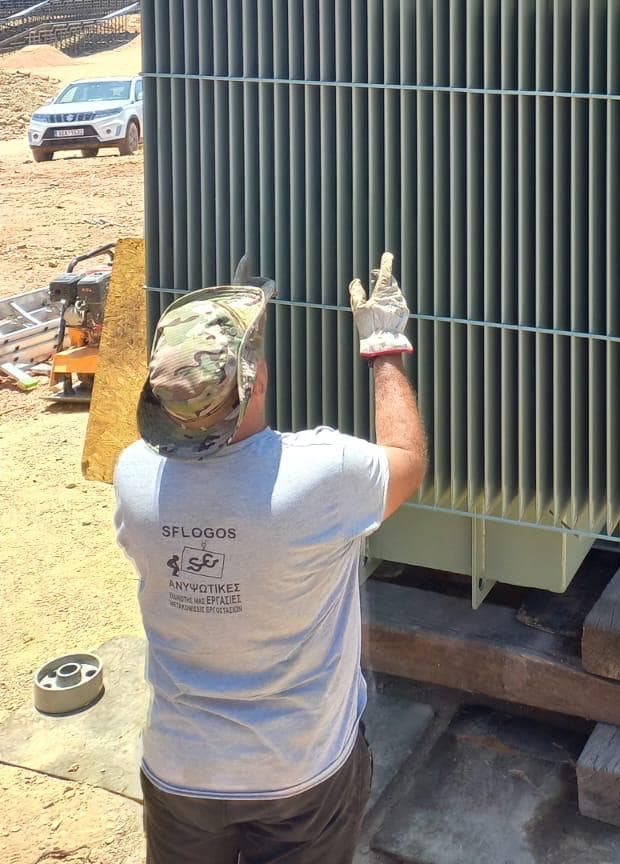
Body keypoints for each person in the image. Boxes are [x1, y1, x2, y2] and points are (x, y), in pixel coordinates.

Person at [113, 252, 425, 864]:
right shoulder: (321, 475)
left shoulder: (134, 476)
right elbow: (406, 460)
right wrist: (385, 346)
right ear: (256, 376)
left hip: (180, 771)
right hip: (301, 774)